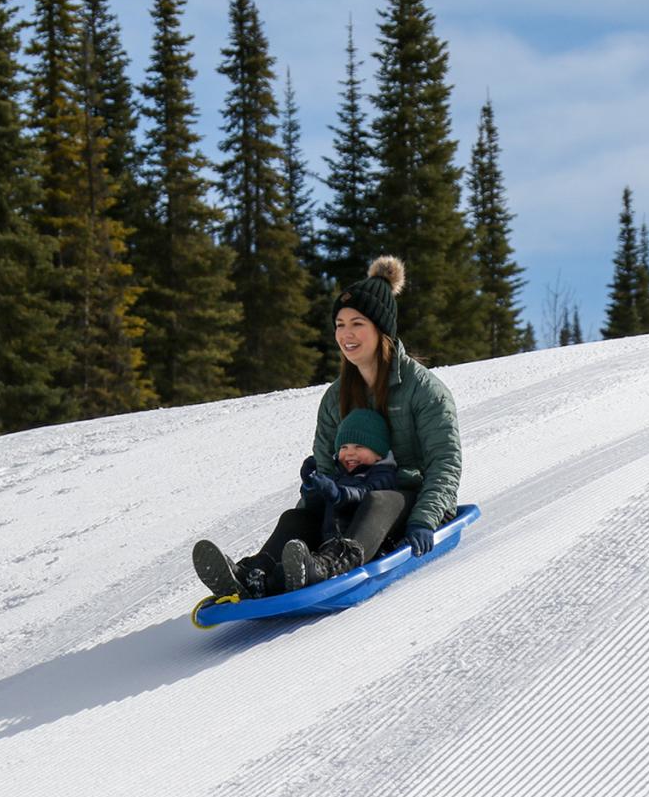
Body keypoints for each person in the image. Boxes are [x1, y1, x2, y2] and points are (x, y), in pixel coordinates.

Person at [192, 255, 463, 598]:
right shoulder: (336, 398)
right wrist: (314, 492)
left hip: (408, 504)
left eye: (357, 324)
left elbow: (445, 464)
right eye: (340, 324)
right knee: (296, 517)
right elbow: (326, 465)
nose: (346, 335)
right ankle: (256, 572)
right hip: (349, 498)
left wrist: (425, 518)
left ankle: (329, 566)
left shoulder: (424, 390)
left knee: (379, 499)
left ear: (381, 329)